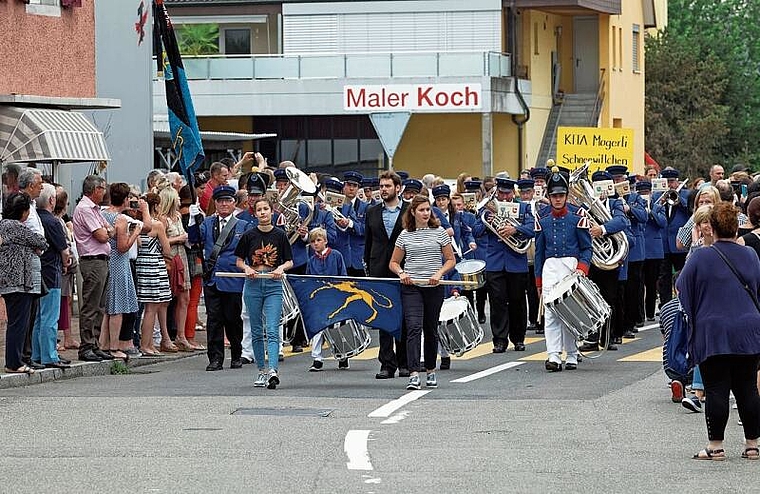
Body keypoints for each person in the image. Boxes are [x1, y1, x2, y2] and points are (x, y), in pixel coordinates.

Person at [677, 202, 760, 460]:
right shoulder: (751, 255)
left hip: (713, 330)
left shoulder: (702, 256)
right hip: (748, 328)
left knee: (716, 388)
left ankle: (715, 446)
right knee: (747, 387)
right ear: (736, 227)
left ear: (710, 227)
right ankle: (752, 445)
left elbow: (681, 288)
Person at [390, 194, 456, 390]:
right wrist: (402, 273)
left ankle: (430, 370)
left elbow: (451, 260)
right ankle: (413, 373)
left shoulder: (440, 232)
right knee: (413, 328)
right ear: (413, 212)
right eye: (422, 210)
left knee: (431, 329)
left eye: (428, 209)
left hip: (433, 287)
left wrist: (439, 273)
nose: (426, 213)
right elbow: (393, 262)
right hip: (411, 287)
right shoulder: (405, 235)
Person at [534, 169, 593, 372]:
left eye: (561, 195)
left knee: (570, 311)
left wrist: (582, 269)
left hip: (571, 267)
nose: (558, 199)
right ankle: (553, 354)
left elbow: (586, 247)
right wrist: (539, 283)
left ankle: (572, 353)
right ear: (548, 197)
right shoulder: (541, 219)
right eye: (554, 196)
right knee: (551, 312)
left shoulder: (578, 216)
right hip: (550, 267)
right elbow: (539, 253)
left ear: (566, 196)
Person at [189, 185, 252, 371]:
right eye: (220, 201)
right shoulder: (207, 223)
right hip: (213, 277)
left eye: (228, 200)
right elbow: (194, 241)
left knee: (233, 318)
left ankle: (236, 354)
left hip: (233, 277)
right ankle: (215, 358)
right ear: (215, 203)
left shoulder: (244, 225)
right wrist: (192, 220)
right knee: (214, 319)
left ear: (234, 203)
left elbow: (247, 252)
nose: (224, 204)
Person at [235, 197, 293, 389]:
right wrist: (247, 269)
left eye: (266, 209)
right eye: (259, 209)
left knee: (272, 328)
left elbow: (289, 261)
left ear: (272, 211)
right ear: (255, 213)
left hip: (273, 284)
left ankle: (273, 370)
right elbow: (239, 261)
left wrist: (281, 268)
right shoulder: (249, 235)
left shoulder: (280, 235)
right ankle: (261, 370)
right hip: (253, 284)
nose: (263, 212)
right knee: (257, 330)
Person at [472, 177, 535, 352]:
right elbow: (476, 231)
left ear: (513, 193)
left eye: (508, 194)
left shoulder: (523, 208)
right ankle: (499, 340)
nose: (505, 197)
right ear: (497, 193)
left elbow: (533, 229)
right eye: (501, 193)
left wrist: (515, 229)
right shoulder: (488, 209)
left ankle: (518, 338)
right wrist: (488, 221)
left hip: (516, 262)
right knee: (497, 302)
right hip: (495, 263)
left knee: (517, 301)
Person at [364, 171, 410, 379]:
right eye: (381, 186)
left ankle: (405, 362)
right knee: (383, 316)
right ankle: (387, 364)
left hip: (405, 267)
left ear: (398, 188)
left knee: (403, 316)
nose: (383, 189)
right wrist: (368, 266)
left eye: (387, 186)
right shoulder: (372, 211)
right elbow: (369, 241)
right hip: (379, 268)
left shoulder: (410, 210)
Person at [0, 193, 48, 374]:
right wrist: (32, 247)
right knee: (19, 323)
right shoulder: (16, 227)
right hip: (19, 281)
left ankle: (15, 360)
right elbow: (41, 242)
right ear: (23, 211)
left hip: (11, 281)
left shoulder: (4, 225)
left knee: (16, 322)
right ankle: (14, 362)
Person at [72, 175, 116, 362]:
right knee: (91, 305)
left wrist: (108, 231)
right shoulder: (85, 209)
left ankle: (95, 343)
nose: (104, 192)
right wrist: (108, 231)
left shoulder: (95, 209)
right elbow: (102, 235)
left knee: (100, 305)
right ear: (94, 190)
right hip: (92, 260)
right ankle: (87, 345)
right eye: (102, 188)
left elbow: (110, 230)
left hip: (101, 260)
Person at [99, 183, 144, 360]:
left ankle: (103, 343)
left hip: (107, 261)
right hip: (119, 262)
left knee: (107, 307)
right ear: (125, 200)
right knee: (117, 307)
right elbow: (123, 247)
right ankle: (114, 346)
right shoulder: (121, 219)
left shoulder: (102, 214)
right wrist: (135, 232)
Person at [31, 184, 72, 368]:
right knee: (50, 316)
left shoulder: (34, 218)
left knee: (39, 317)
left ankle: (37, 353)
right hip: (51, 271)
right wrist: (66, 263)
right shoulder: (53, 222)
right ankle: (49, 355)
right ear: (51, 200)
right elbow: (64, 251)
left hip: (38, 271)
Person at [305, 227, 349, 371]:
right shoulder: (311, 260)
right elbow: (308, 279)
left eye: (318, 240)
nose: (315, 244)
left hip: (336, 296)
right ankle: (317, 358)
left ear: (325, 241)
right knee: (318, 328)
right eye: (312, 241)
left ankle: (342, 355)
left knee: (337, 327)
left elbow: (343, 274)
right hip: (319, 298)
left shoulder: (336, 255)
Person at [135, 193, 174, 357]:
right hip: (154, 264)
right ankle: (146, 344)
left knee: (147, 307)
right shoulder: (156, 225)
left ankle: (149, 343)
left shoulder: (136, 223)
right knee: (152, 308)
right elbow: (166, 249)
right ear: (156, 206)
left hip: (141, 264)